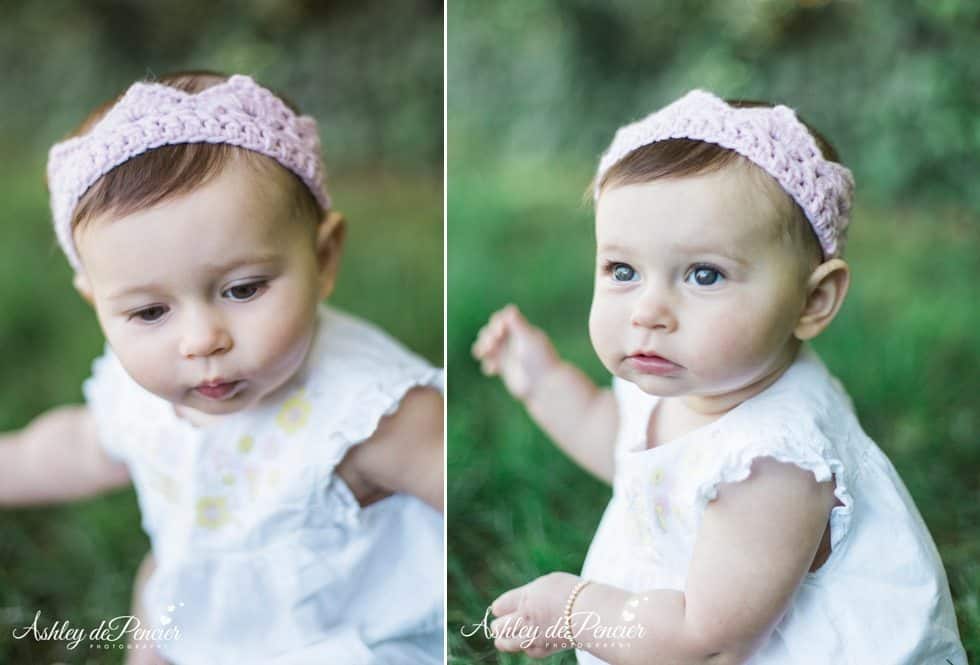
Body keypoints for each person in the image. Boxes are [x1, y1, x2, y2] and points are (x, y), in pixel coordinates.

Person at [472, 89, 966, 664]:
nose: (648, 311)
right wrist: (541, 378)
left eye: (705, 275)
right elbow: (621, 445)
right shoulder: (693, 376)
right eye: (623, 270)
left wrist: (575, 609)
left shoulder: (772, 463)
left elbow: (707, 644)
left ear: (814, 300)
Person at [0, 70, 444, 665]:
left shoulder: (366, 410)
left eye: (241, 290)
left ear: (324, 257)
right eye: (150, 311)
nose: (201, 340)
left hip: (334, 637)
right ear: (97, 304)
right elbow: (78, 446)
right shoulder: (141, 392)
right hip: (206, 609)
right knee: (158, 596)